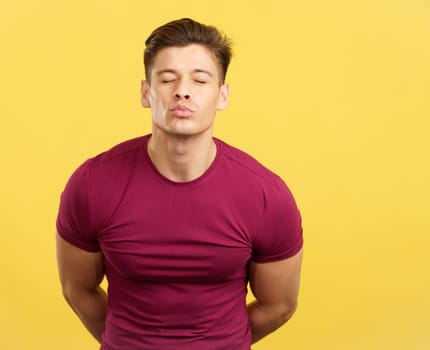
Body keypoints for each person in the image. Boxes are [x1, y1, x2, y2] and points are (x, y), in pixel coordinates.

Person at [56, 18, 303, 350]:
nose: (182, 91)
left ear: (222, 95)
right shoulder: (92, 184)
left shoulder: (265, 195)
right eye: (167, 79)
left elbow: (280, 305)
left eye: (200, 80)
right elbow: (77, 289)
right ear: (146, 92)